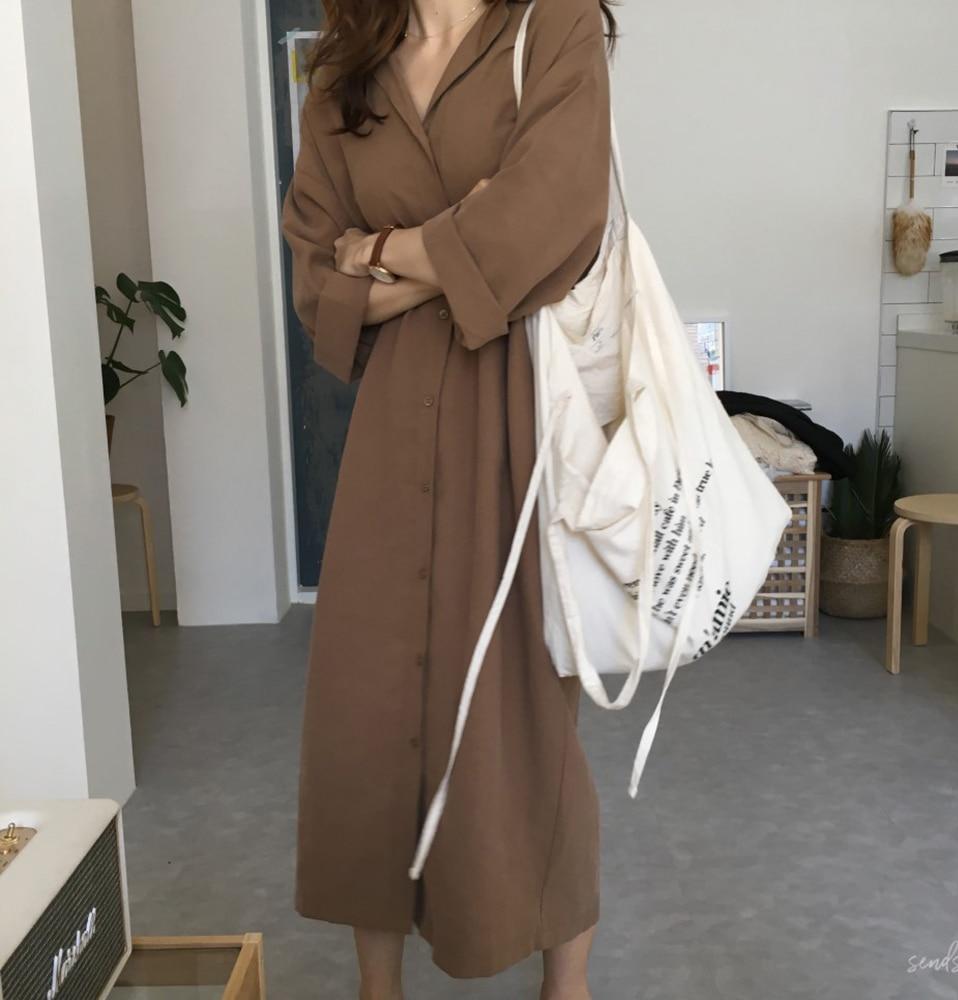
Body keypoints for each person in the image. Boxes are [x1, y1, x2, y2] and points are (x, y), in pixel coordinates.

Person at [280, 0, 616, 996]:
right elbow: (315, 278)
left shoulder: (553, 25)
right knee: (368, 699)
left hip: (523, 416)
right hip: (391, 430)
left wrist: (383, 251)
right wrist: (459, 246)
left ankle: (565, 983)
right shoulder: (343, 69)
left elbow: (551, 216)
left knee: (525, 701)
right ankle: (376, 984)